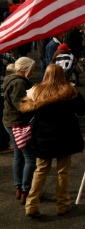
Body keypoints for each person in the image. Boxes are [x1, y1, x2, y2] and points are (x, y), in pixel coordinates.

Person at [20, 64, 85, 218]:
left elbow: (25, 115)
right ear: (62, 74)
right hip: (66, 137)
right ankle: (63, 204)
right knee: (63, 171)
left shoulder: (35, 91)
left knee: (40, 171)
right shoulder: (70, 91)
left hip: (43, 138)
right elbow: (83, 110)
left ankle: (31, 205)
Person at [2, 57, 36, 204]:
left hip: (10, 121)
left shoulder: (11, 80)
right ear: (24, 69)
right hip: (18, 123)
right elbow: (22, 106)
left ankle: (19, 187)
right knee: (29, 157)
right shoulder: (18, 83)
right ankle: (25, 189)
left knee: (18, 155)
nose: (33, 72)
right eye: (32, 69)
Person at [0, 52, 16, 153]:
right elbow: (15, 63)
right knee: (2, 118)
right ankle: (3, 144)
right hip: (1, 92)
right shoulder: (3, 55)